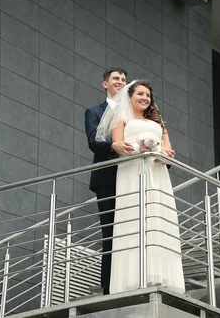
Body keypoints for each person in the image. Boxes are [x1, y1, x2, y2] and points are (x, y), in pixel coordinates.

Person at [95, 79, 185, 294]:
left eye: (148, 95)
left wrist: (165, 154)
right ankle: (130, 279)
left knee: (157, 218)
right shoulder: (120, 118)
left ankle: (160, 276)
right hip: (132, 171)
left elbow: (167, 149)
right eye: (140, 94)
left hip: (157, 173)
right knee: (133, 219)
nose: (145, 98)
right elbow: (119, 148)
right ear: (130, 96)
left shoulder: (158, 122)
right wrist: (140, 147)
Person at [84, 68, 135, 295]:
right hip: (106, 177)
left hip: (132, 175)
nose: (120, 82)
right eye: (116, 79)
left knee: (132, 229)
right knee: (111, 232)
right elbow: (94, 142)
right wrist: (113, 145)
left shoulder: (135, 112)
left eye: (124, 80)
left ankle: (132, 280)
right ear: (105, 83)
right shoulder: (94, 111)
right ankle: (108, 287)